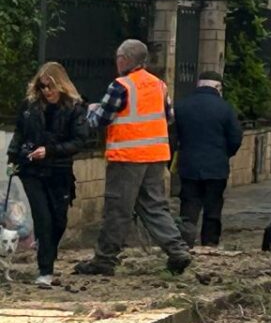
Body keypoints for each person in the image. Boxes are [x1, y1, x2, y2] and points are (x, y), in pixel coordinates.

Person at [71, 39, 192, 277]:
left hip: (127, 157)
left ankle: (104, 260)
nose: (117, 62)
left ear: (124, 60)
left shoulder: (121, 86)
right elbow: (168, 117)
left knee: (117, 209)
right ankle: (177, 250)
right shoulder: (159, 85)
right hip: (156, 156)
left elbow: (99, 120)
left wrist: (87, 110)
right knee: (154, 206)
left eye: (118, 58)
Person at [6, 62, 87, 287]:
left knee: (58, 220)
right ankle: (45, 270)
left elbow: (80, 140)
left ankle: (47, 250)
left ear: (60, 85)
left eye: (50, 87)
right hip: (31, 170)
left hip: (59, 170)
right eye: (42, 87)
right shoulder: (30, 107)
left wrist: (50, 151)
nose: (46, 92)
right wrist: (13, 157)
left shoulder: (74, 107)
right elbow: (19, 133)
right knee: (43, 218)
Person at [172, 74, 243, 247]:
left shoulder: (181, 106)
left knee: (189, 204)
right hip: (216, 167)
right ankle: (210, 243)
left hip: (189, 165)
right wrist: (225, 154)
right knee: (213, 206)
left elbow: (172, 138)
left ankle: (185, 241)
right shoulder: (226, 108)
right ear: (218, 88)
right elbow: (235, 138)